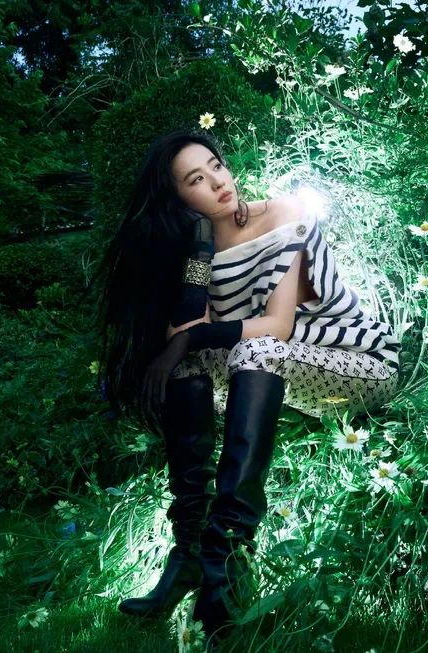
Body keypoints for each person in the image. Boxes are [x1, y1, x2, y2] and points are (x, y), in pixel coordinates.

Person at [90, 129, 401, 647]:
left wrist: (187, 340)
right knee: (187, 368)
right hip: (276, 363)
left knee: (248, 349)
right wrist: (198, 247)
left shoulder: (283, 214)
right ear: (178, 200)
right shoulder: (197, 249)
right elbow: (189, 325)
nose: (218, 182)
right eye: (196, 180)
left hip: (356, 362)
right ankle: (189, 553)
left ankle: (228, 561)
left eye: (216, 165)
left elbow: (276, 326)